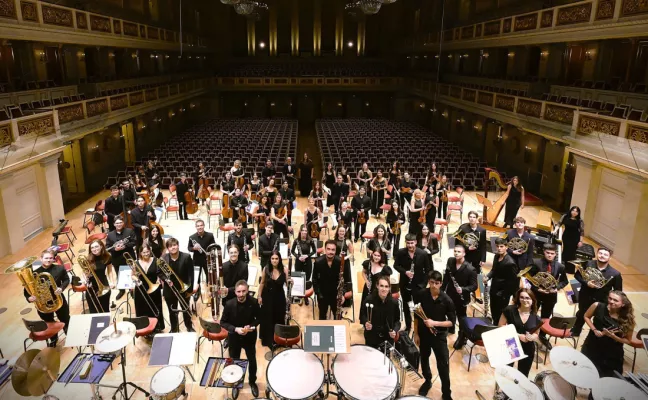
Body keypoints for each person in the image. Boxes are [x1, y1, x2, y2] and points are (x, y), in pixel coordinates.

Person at [413, 270, 455, 399]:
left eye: (437, 283)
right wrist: (416, 334)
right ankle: (427, 381)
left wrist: (434, 323)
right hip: (423, 335)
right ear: (428, 282)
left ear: (441, 283)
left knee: (443, 365)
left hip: (439, 336)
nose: (434, 286)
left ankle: (446, 393)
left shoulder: (447, 300)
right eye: (431, 282)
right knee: (424, 359)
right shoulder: (421, 294)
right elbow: (416, 315)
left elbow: (451, 323)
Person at [220, 280, 260, 398]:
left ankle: (252, 382)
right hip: (234, 338)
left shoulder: (253, 302)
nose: (241, 294)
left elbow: (259, 318)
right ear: (235, 292)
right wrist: (235, 329)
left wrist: (251, 326)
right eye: (238, 292)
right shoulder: (229, 304)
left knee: (252, 361)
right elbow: (223, 322)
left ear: (247, 291)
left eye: (243, 291)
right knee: (235, 361)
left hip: (249, 337)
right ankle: (236, 384)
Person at [581, 290, 635, 377]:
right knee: (588, 372)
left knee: (606, 378)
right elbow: (586, 316)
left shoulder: (627, 319)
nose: (611, 301)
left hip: (611, 353)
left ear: (623, 304)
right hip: (592, 345)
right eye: (610, 298)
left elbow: (628, 340)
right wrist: (594, 329)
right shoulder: (597, 306)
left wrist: (613, 337)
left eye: (615, 300)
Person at [572, 247, 623, 336]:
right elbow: (577, 276)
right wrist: (586, 283)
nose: (602, 256)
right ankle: (576, 332)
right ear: (597, 254)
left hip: (602, 300)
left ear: (609, 257)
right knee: (581, 314)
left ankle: (593, 336)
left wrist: (612, 302)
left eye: (605, 254)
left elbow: (618, 291)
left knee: (599, 319)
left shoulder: (615, 274)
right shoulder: (588, 264)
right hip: (585, 296)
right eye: (600, 253)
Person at [24, 250, 70, 347]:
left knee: (65, 319)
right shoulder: (34, 273)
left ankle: (69, 335)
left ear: (53, 259)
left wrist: (61, 288)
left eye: (50, 258)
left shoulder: (60, 268)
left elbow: (66, 279)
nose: (48, 260)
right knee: (49, 323)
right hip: (43, 303)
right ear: (41, 259)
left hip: (58, 299)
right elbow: (26, 291)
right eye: (46, 258)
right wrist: (29, 298)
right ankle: (53, 338)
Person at [498, 288, 542, 377]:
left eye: (527, 298)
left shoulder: (536, 317)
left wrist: (533, 337)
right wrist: (518, 336)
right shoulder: (509, 310)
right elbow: (501, 326)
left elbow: (536, 334)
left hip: (528, 348)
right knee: (506, 372)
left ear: (532, 301)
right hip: (511, 344)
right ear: (518, 298)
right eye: (522, 297)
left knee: (523, 375)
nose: (524, 300)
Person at [393, 234, 431, 333]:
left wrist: (423, 285)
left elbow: (428, 270)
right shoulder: (401, 252)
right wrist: (405, 272)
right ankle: (408, 326)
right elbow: (396, 265)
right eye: (408, 243)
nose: (410, 245)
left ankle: (419, 328)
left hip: (418, 285)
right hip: (405, 284)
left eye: (412, 243)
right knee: (406, 306)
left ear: (416, 242)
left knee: (418, 307)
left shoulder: (422, 254)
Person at [442, 244, 478, 350]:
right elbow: (447, 277)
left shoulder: (471, 269)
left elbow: (474, 286)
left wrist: (463, 289)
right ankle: (451, 328)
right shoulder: (450, 261)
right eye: (455, 251)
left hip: (462, 296)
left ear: (464, 254)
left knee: (461, 318)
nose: (456, 253)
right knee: (449, 312)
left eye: (459, 252)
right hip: (450, 293)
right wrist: (441, 290)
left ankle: (462, 337)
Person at [161, 238, 194, 333]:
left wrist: (189, 290)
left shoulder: (186, 257)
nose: (173, 247)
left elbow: (190, 274)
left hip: (183, 289)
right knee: (172, 311)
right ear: (167, 248)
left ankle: (189, 326)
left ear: (178, 245)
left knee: (186, 309)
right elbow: (159, 272)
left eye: (175, 245)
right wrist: (166, 279)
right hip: (169, 289)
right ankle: (174, 328)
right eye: (170, 246)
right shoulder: (163, 258)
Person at [313, 240, 352, 320]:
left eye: (333, 250)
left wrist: (342, 294)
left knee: (337, 317)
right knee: (322, 317)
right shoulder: (318, 262)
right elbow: (314, 279)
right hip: (322, 295)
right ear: (325, 249)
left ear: (335, 250)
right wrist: (319, 293)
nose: (330, 252)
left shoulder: (341, 262)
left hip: (336, 295)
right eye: (328, 249)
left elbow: (346, 280)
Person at [258, 252, 291, 347]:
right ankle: (269, 340)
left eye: (276, 258)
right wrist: (259, 296)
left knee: (278, 316)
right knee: (268, 318)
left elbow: (287, 282)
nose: (274, 260)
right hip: (267, 297)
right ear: (270, 259)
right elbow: (262, 283)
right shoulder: (266, 269)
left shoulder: (284, 269)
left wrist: (290, 282)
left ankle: (278, 339)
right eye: (273, 258)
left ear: (279, 259)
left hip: (279, 297)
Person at [485, 238, 518, 325]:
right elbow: (493, 270)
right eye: (497, 246)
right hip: (494, 288)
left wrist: (503, 293)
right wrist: (487, 277)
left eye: (501, 246)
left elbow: (512, 282)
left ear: (506, 247)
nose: (499, 248)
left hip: (503, 293)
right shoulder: (496, 256)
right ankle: (494, 326)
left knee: (500, 315)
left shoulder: (510, 263)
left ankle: (497, 329)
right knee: (493, 311)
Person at [361, 275, 400, 349]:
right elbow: (362, 315)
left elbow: (397, 321)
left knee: (386, 360)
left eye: (386, 286)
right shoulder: (369, 300)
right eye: (381, 286)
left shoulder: (394, 303)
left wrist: (395, 330)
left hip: (387, 339)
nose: (384, 289)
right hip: (372, 338)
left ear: (389, 288)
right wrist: (365, 322)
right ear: (377, 286)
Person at [133, 244, 165, 333]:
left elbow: (159, 273)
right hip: (141, 288)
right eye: (144, 252)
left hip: (154, 287)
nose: (146, 254)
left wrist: (159, 280)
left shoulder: (156, 261)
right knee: (142, 308)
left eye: (147, 251)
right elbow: (133, 275)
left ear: (150, 251)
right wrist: (136, 279)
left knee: (156, 307)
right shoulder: (135, 263)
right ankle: (145, 328)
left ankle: (157, 327)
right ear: (140, 253)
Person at [106, 217, 136, 301]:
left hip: (129, 257)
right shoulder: (110, 234)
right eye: (117, 223)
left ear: (123, 223)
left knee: (131, 275)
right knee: (119, 275)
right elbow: (107, 247)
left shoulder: (129, 231)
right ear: (114, 224)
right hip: (117, 258)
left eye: (120, 222)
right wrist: (115, 249)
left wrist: (125, 246)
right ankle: (122, 291)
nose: (119, 224)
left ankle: (131, 290)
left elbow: (134, 242)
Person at [360, 249, 393, 321]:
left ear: (381, 257)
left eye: (379, 256)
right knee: (366, 305)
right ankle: (366, 322)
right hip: (368, 288)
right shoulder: (367, 263)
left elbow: (388, 281)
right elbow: (363, 273)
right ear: (372, 254)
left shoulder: (385, 268)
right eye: (375, 255)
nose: (376, 257)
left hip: (379, 291)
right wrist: (366, 281)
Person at [188, 219, 216, 300]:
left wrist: (210, 252)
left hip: (208, 259)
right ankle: (197, 291)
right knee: (197, 277)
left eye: (201, 225)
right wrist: (194, 248)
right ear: (196, 227)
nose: (200, 227)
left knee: (209, 276)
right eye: (198, 226)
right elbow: (189, 248)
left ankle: (210, 291)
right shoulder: (192, 237)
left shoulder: (210, 235)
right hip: (197, 260)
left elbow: (213, 246)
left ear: (204, 226)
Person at [85, 240, 116, 314]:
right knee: (93, 311)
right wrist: (85, 278)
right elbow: (84, 272)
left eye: (96, 246)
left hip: (103, 284)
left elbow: (110, 271)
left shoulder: (107, 257)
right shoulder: (87, 259)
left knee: (105, 309)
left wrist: (112, 282)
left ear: (101, 246)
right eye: (92, 248)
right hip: (91, 286)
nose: (94, 249)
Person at [556, 205, 584, 272]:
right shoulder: (565, 216)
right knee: (565, 250)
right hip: (566, 236)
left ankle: (570, 269)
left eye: (576, 211)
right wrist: (555, 230)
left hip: (575, 238)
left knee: (571, 253)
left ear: (578, 213)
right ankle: (563, 267)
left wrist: (581, 241)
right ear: (570, 210)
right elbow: (559, 223)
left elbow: (582, 232)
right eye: (573, 210)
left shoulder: (580, 221)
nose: (574, 212)